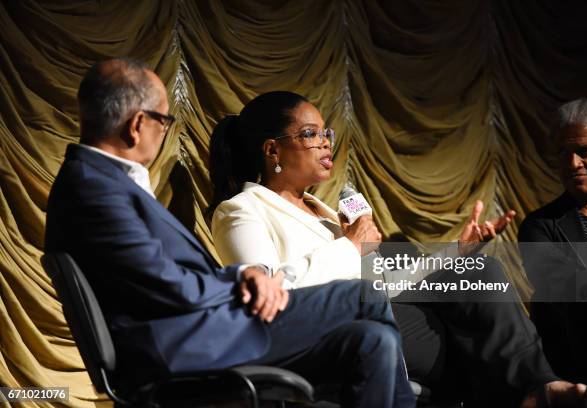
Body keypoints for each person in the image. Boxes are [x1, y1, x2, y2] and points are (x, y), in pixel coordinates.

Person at [44, 58, 416, 408]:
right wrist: (243, 279)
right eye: (164, 121)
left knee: (372, 339)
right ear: (138, 124)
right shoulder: (95, 189)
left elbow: (157, 275)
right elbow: (168, 284)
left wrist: (242, 275)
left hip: (196, 333)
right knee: (364, 296)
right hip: (182, 345)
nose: (163, 132)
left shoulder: (97, 182)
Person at [209, 91, 587, 408]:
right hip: (334, 332)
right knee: (466, 332)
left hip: (378, 306)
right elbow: (269, 296)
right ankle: (525, 394)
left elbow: (384, 283)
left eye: (326, 132)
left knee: (479, 274)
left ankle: (538, 385)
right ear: (273, 151)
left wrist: (458, 252)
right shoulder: (241, 211)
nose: (326, 141)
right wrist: (351, 246)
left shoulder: (325, 213)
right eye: (310, 134)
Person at [519, 98, 587, 385]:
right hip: (585, 372)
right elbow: (565, 285)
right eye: (564, 153)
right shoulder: (539, 227)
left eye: (585, 151)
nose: (573, 163)